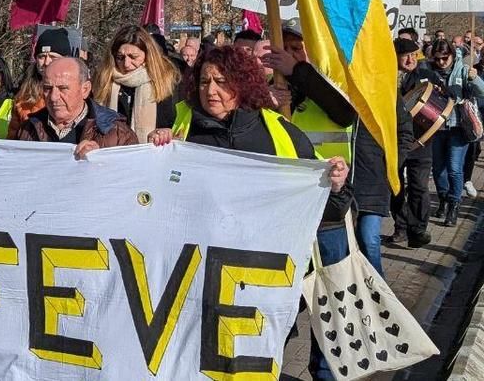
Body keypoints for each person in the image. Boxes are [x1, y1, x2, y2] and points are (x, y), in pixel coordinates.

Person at [150, 45, 352, 381]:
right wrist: (155, 152)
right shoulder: (180, 128)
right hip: (197, 281)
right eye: (203, 81)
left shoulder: (280, 133)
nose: (210, 91)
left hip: (263, 281)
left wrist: (335, 184)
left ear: (242, 84)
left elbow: (322, 208)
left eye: (221, 81)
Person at [263, 23, 413, 277]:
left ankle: (375, 304)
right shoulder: (270, 85)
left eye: (297, 49)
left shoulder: (331, 83)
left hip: (335, 189)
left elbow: (344, 113)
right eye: (285, 48)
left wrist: (297, 70)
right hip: (291, 192)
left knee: (359, 251)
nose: (289, 54)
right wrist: (266, 100)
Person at [11, 57, 138, 153]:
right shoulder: (28, 128)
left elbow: (132, 179)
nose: (54, 97)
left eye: (63, 88)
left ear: (85, 89)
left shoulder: (117, 134)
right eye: (47, 88)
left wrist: (102, 159)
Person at [426, 39, 484, 225]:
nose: (442, 62)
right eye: (438, 59)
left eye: (445, 58)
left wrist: (474, 78)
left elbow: (482, 92)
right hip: (436, 126)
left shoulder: (463, 70)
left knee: (454, 168)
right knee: (438, 169)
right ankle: (443, 198)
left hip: (459, 127)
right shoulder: (429, 71)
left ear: (452, 54)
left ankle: (454, 204)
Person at [92, 25, 180, 143]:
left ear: (148, 55)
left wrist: (164, 133)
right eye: (120, 57)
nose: (126, 64)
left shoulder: (166, 82)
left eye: (133, 57)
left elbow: (176, 125)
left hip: (151, 154)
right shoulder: (103, 80)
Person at [390, 37, 439, 248]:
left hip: (422, 141)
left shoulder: (427, 76)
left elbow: (443, 101)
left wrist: (441, 93)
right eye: (405, 56)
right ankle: (401, 226)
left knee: (419, 187)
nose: (410, 59)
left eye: (413, 55)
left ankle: (418, 229)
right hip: (396, 142)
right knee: (396, 186)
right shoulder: (385, 78)